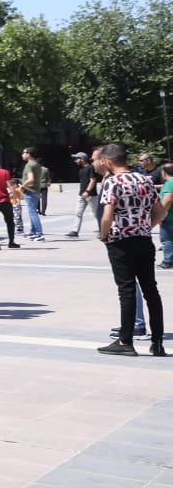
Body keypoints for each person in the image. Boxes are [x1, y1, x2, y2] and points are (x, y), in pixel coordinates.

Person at [94, 143, 166, 356]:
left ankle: (126, 341)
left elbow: (107, 216)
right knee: (151, 290)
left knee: (126, 290)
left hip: (120, 241)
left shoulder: (112, 182)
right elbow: (160, 212)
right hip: (143, 240)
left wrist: (104, 235)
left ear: (107, 161)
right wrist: (144, 227)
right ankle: (158, 342)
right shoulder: (145, 179)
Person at [70, 152, 99, 239]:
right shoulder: (81, 170)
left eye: (77, 158)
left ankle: (102, 229)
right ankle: (75, 231)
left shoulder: (91, 168)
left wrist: (87, 191)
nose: (75, 161)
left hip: (91, 195)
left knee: (96, 214)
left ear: (82, 159)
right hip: (81, 195)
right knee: (78, 213)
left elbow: (93, 180)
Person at [19, 148, 46, 240]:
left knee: (33, 212)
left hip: (30, 191)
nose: (22, 154)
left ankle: (39, 234)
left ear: (29, 154)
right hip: (36, 191)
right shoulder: (37, 164)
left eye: (24, 153)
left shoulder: (29, 165)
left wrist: (22, 186)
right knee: (32, 212)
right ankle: (33, 232)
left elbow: (31, 179)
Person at [160, 163, 173, 270]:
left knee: (167, 240)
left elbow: (168, 199)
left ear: (164, 172)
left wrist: (161, 214)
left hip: (169, 217)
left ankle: (168, 261)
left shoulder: (170, 183)